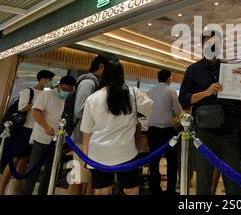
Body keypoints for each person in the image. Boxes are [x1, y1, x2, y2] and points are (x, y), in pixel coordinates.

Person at [178, 33, 241, 195]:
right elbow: (184, 100)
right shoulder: (194, 70)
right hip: (204, 131)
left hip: (228, 130)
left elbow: (237, 102)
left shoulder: (229, 69)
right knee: (204, 178)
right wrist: (206, 92)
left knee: (234, 177)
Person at [80, 55, 153, 195]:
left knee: (102, 191)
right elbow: (149, 108)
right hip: (126, 152)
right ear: (122, 74)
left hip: (98, 154)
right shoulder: (133, 93)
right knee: (130, 190)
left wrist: (85, 155)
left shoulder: (93, 98)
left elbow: (87, 131)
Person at [0, 70, 54, 195]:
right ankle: (2, 188)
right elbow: (22, 107)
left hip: (38, 131)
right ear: (42, 79)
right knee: (14, 160)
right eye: (49, 80)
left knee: (24, 164)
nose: (50, 82)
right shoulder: (28, 91)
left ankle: (16, 191)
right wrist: (37, 104)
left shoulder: (49, 94)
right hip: (25, 129)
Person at [20, 75, 77, 195]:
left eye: (69, 90)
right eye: (65, 89)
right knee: (33, 170)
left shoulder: (69, 99)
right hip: (42, 138)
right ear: (60, 85)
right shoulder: (46, 95)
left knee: (51, 172)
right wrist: (46, 126)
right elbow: (36, 111)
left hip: (58, 141)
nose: (66, 92)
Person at [68, 53, 113, 195]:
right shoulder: (88, 83)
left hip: (88, 139)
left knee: (85, 179)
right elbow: (80, 110)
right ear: (101, 66)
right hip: (81, 139)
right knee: (77, 179)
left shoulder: (95, 83)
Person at [147, 69, 181, 196]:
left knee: (154, 161)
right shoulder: (171, 91)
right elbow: (177, 110)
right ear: (168, 78)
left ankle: (154, 189)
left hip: (153, 131)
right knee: (172, 161)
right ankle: (170, 190)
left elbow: (147, 110)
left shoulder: (150, 91)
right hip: (167, 131)